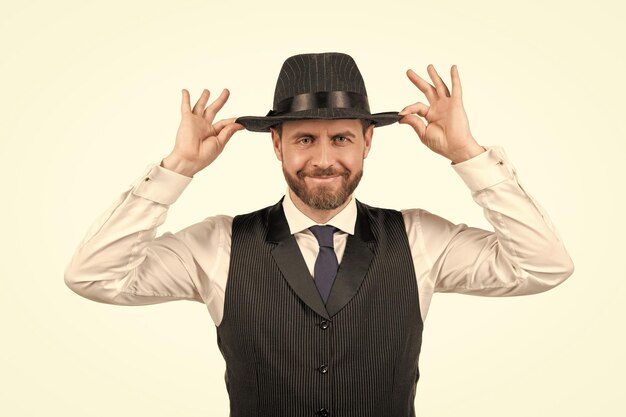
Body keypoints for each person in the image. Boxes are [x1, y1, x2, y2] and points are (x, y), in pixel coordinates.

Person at [64, 52, 574, 417]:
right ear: (277, 146)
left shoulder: (421, 239)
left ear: (368, 142)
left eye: (342, 139)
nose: (324, 160)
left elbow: (544, 265)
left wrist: (468, 154)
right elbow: (93, 276)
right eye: (305, 139)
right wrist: (176, 169)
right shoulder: (216, 245)